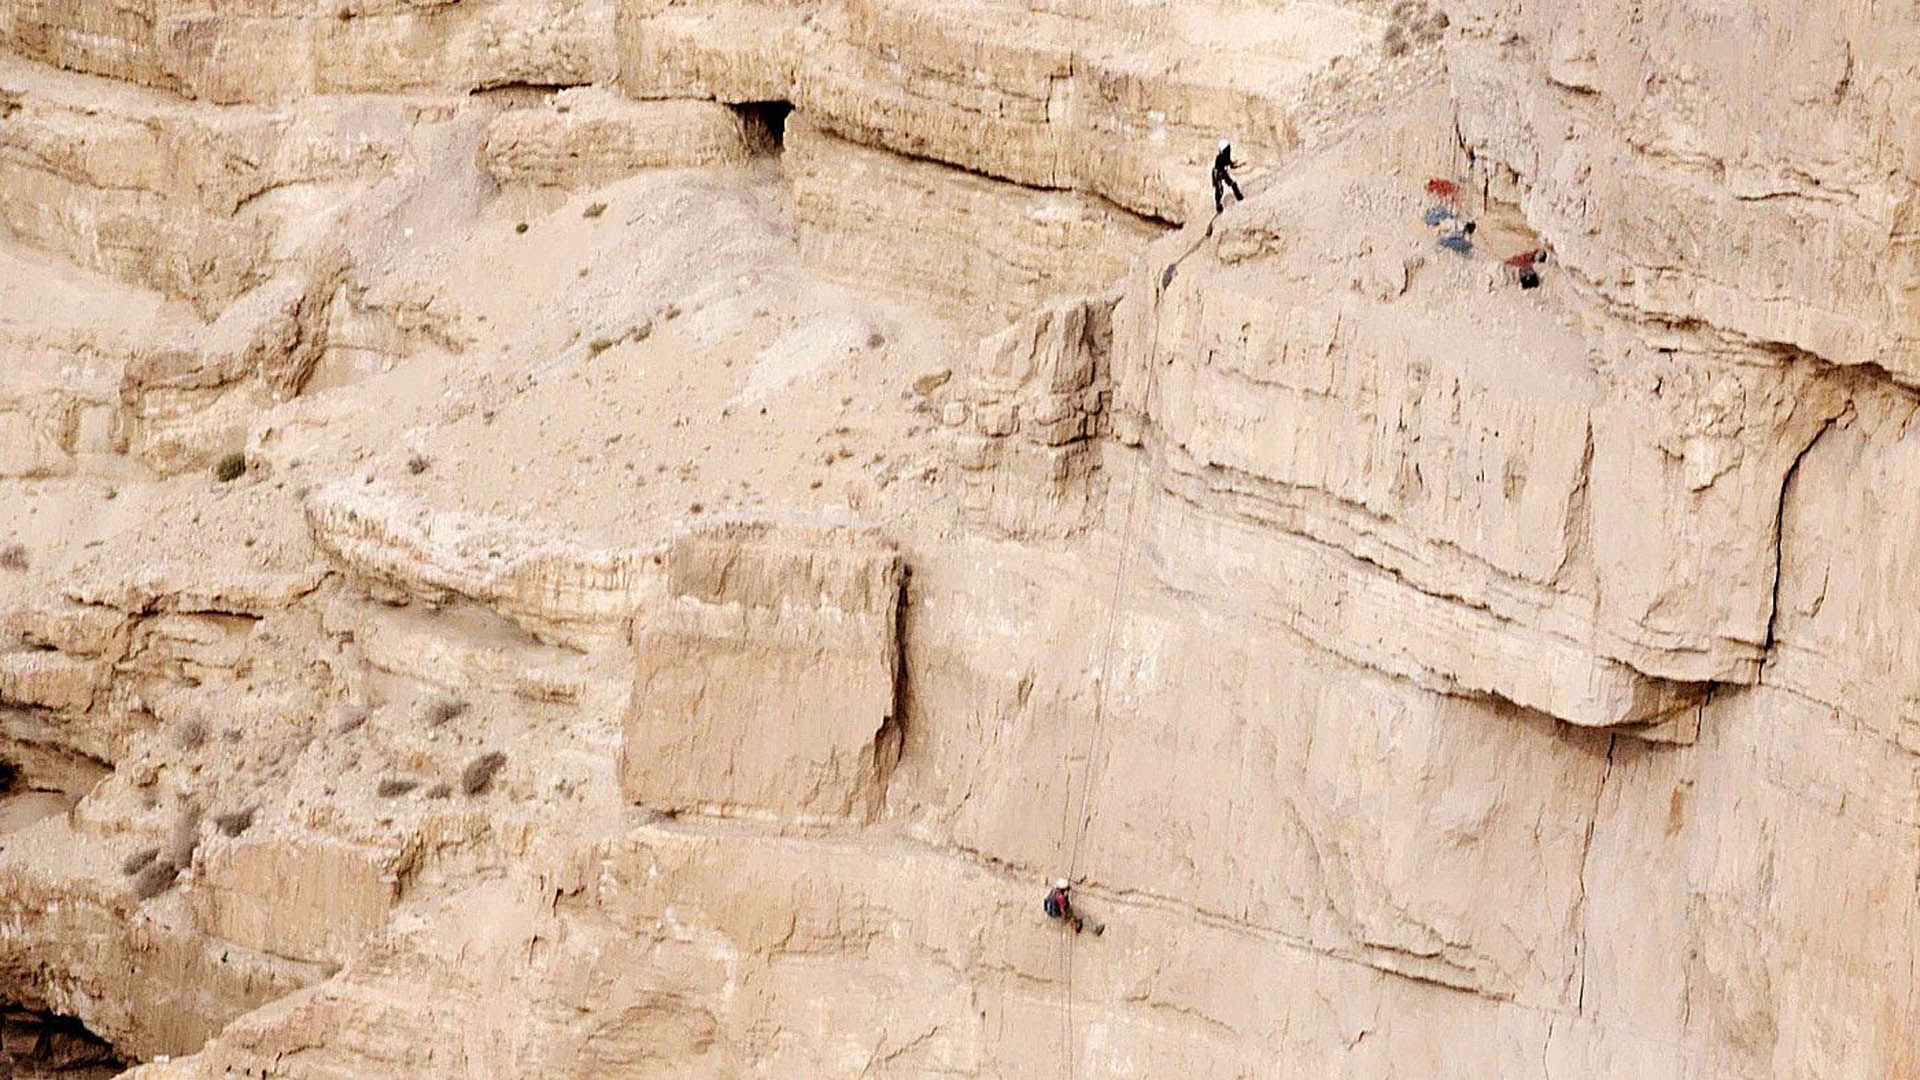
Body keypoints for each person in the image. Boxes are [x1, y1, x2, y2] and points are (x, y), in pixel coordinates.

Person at [1212, 140, 1244, 213]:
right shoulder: (1220, 158)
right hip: (1218, 173)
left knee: (1232, 184)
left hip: (1222, 172)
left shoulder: (1224, 156)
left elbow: (1229, 163)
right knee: (1219, 190)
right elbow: (1219, 169)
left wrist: (1236, 165)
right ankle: (1218, 205)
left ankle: (1239, 196)